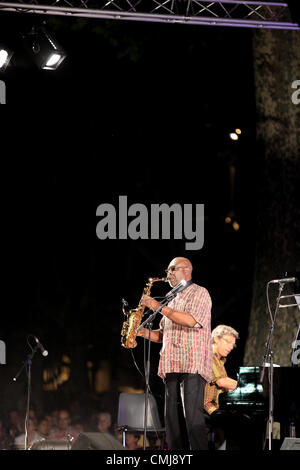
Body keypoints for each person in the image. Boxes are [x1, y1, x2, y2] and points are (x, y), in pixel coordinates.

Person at [138, 256, 212, 450]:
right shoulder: (171, 296)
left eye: (173, 269)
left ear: (187, 269)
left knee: (193, 420)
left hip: (191, 365)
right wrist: (140, 332)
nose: (168, 273)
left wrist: (157, 306)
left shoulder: (199, 293)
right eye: (168, 270)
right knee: (172, 423)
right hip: (171, 365)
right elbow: (163, 335)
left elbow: (190, 321)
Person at [203, 324, 239, 450]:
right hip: (208, 407)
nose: (231, 347)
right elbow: (221, 382)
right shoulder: (209, 355)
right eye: (228, 342)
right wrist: (246, 385)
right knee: (240, 421)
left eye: (233, 344)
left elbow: (227, 388)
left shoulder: (220, 360)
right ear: (216, 339)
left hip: (218, 406)